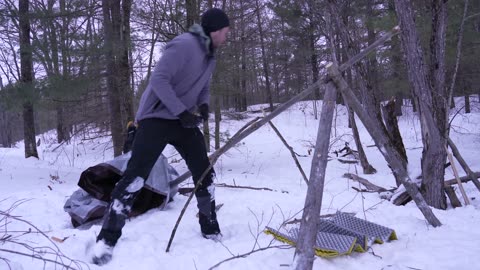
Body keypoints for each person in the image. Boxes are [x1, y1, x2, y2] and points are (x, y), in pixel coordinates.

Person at [91, 8, 230, 265]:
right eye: (225, 31)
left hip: (183, 119)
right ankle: (106, 241)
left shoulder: (210, 55)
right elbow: (159, 80)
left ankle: (210, 228)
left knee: (204, 173)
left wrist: (203, 105)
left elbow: (204, 84)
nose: (227, 35)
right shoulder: (184, 45)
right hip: (156, 118)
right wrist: (180, 110)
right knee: (134, 178)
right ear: (214, 30)